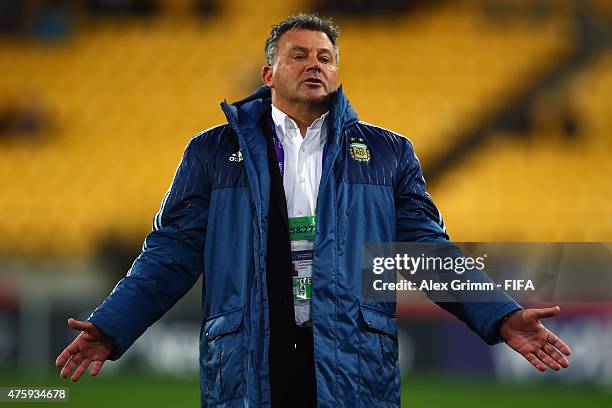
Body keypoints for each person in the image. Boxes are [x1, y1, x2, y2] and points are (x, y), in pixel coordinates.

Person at [55, 13, 571, 408]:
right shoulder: (211, 152)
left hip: (353, 365)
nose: (314, 65)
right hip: (249, 365)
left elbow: (426, 250)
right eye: (298, 55)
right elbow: (170, 255)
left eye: (324, 57)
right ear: (268, 72)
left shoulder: (389, 153)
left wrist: (498, 314)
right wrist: (113, 324)